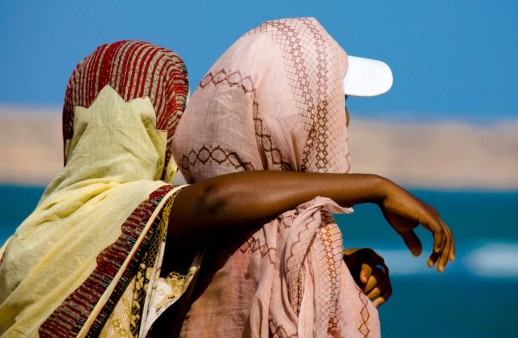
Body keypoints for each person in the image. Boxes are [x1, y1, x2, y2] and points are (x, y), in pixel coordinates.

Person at [0, 39, 452, 337]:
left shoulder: (33, 235)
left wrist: (329, 264)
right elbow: (216, 202)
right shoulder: (129, 211)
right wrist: (374, 187)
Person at [171, 17, 454, 337]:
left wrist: (335, 268)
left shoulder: (197, 220)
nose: (343, 118)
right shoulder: (192, 211)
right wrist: (377, 188)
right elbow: (218, 201)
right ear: (288, 118)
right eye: (336, 103)